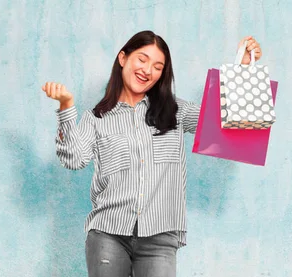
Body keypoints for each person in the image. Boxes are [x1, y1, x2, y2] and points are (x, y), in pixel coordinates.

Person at [41, 30, 263, 277]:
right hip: (108, 234)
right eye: (142, 59)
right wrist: (66, 106)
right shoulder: (96, 119)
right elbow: (73, 158)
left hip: (160, 237)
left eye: (158, 66)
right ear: (123, 58)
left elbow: (224, 122)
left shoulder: (174, 111)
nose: (148, 70)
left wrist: (243, 72)